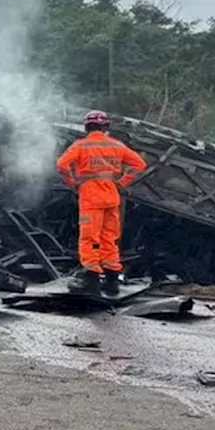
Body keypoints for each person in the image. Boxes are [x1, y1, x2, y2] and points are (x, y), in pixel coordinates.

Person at [55, 110, 146, 295]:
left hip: (91, 197)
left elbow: (61, 165)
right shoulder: (116, 145)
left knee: (90, 239)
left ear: (87, 127)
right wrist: (122, 182)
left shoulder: (81, 145)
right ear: (106, 127)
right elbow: (139, 165)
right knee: (108, 238)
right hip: (111, 197)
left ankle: (91, 279)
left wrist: (72, 183)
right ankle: (112, 281)